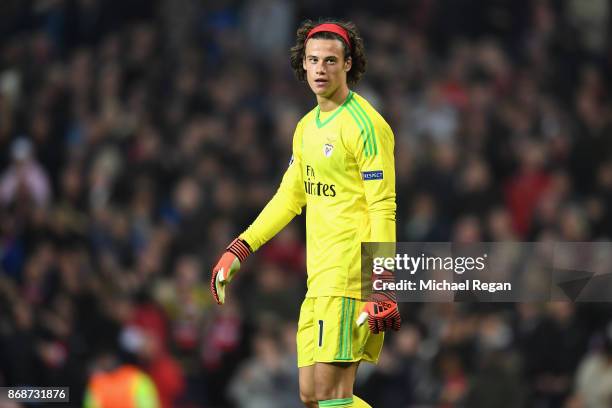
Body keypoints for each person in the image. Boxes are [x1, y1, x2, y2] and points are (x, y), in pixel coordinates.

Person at [210, 19, 400, 408]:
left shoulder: (366, 126)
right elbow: (288, 198)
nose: (320, 69)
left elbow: (383, 206)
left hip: (350, 277)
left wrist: (382, 283)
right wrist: (239, 249)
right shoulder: (305, 128)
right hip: (318, 279)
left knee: (332, 397)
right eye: (313, 60)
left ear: (348, 64)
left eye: (330, 61)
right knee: (312, 397)